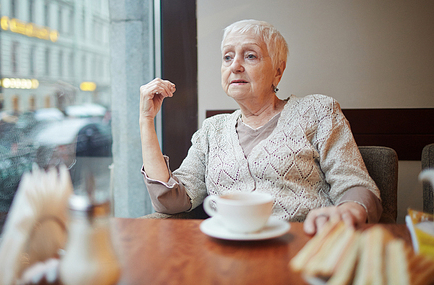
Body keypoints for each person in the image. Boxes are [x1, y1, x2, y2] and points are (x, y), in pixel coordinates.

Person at [139, 19, 382, 235]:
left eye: (250, 55)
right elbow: (171, 200)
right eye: (227, 57)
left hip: (303, 244)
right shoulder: (212, 130)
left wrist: (349, 211)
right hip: (228, 252)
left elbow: (355, 184)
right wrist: (146, 121)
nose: (235, 66)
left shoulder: (318, 111)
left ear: (278, 71)